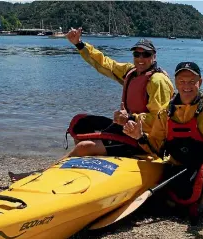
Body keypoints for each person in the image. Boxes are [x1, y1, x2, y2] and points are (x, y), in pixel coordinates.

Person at [123, 62, 203, 222]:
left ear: (200, 82)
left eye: (191, 81)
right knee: (168, 202)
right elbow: (157, 149)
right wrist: (139, 136)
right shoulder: (165, 111)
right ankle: (180, 198)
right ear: (176, 83)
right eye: (182, 81)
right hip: (179, 166)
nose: (186, 86)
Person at [65, 27, 174, 157]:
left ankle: (55, 170)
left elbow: (160, 120)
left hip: (145, 138)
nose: (140, 58)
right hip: (127, 127)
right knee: (81, 122)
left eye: (146, 54)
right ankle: (90, 160)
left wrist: (130, 117)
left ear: (154, 57)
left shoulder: (158, 81)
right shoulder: (131, 72)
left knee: (85, 146)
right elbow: (105, 63)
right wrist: (79, 44)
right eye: (137, 54)